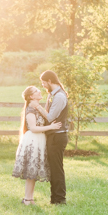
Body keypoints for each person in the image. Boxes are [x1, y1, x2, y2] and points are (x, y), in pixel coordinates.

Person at [12, 86, 61, 205]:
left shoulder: (37, 107)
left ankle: (29, 199)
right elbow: (33, 128)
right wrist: (51, 127)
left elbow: (48, 116)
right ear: (31, 96)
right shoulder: (30, 109)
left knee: (33, 172)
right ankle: (27, 199)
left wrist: (40, 106)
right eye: (36, 91)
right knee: (31, 171)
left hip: (39, 140)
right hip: (33, 140)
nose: (40, 91)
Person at [37, 70, 69, 205]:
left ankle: (60, 199)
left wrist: (36, 106)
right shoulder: (52, 95)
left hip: (57, 137)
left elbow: (50, 117)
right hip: (53, 136)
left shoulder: (60, 97)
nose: (43, 85)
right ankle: (54, 198)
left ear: (50, 81)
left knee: (56, 168)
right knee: (54, 168)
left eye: (44, 82)